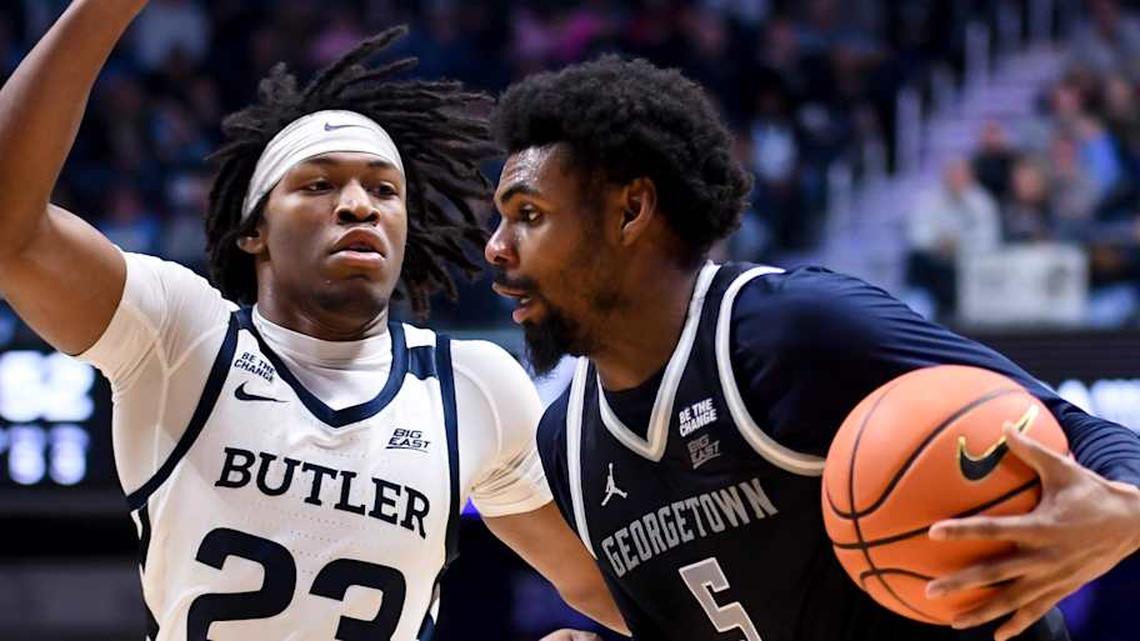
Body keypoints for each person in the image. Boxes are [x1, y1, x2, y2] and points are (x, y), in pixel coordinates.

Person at [0, 2, 626, 639]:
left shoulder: (476, 385)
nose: (359, 205)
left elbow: (601, 586)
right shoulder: (181, 336)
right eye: (320, 185)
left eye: (385, 191)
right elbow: (10, 230)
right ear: (254, 232)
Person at [486, 56, 1140, 641]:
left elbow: (1077, 430)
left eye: (530, 215)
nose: (496, 247)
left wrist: (1125, 504)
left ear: (631, 210)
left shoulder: (793, 330)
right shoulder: (567, 446)